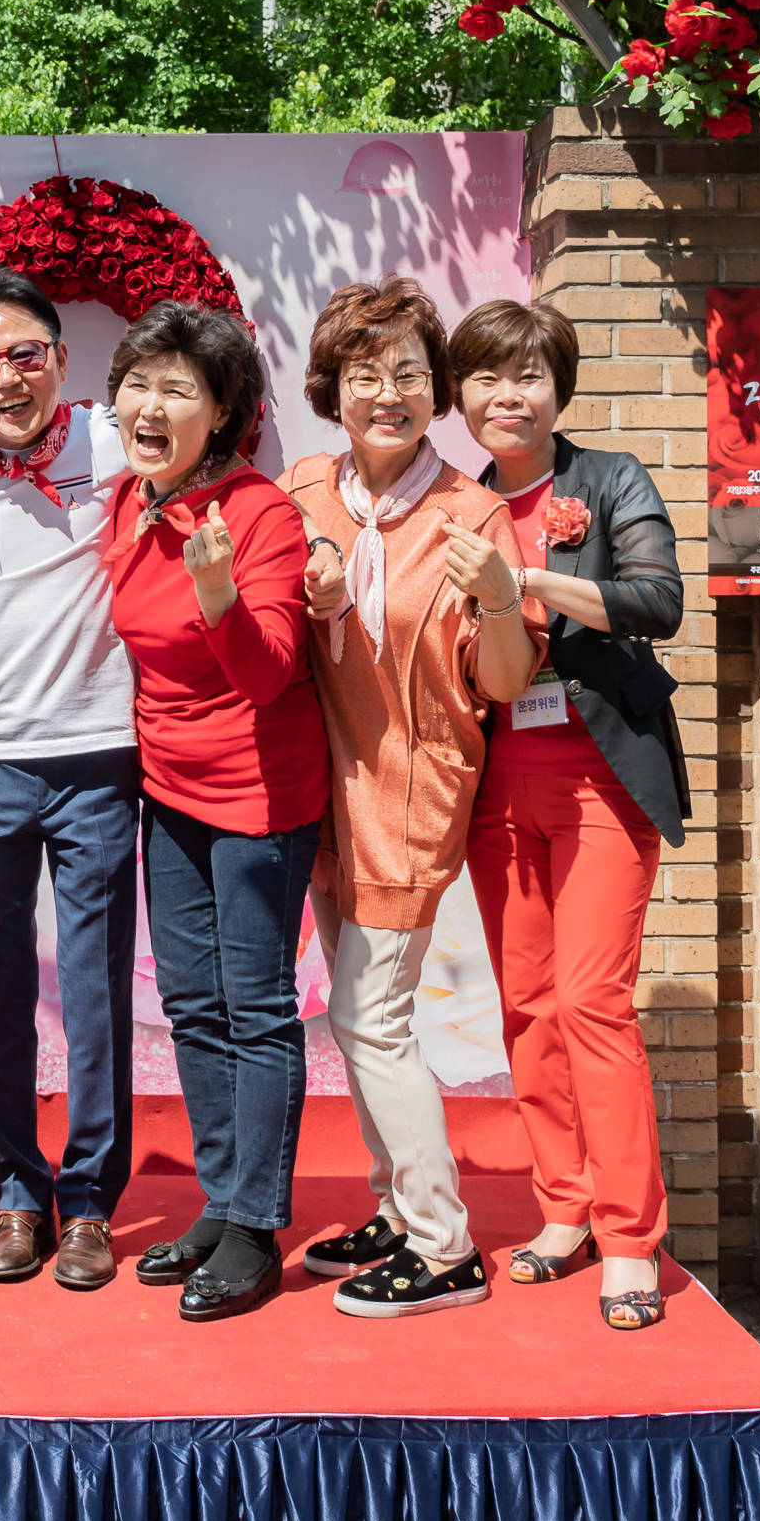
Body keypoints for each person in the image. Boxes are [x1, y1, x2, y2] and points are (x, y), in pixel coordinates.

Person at [279, 278, 543, 1320]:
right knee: (360, 1022)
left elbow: (508, 680)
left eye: (406, 375)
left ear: (434, 392)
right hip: (319, 785)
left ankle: (444, 1247)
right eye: (363, 375)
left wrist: (501, 597)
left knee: (368, 1012)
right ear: (331, 390)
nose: (385, 393)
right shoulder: (302, 490)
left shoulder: (473, 514)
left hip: (412, 787)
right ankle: (394, 1208)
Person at [452, 297, 690, 1333]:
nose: (511, 395)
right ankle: (563, 1210)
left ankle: (630, 1238)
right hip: (495, 780)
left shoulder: (606, 479)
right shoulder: (450, 502)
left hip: (599, 773)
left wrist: (536, 578)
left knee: (593, 1002)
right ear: (461, 395)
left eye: (530, 375)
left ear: (560, 388)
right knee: (530, 1007)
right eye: (489, 377)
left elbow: (659, 601)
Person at [103, 302, 328, 1323]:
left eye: (178, 390)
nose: (150, 406)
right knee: (192, 1007)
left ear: (224, 412)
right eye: (139, 385)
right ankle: (220, 1198)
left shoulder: (258, 514)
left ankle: (254, 1227)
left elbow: (275, 672)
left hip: (259, 795)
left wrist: (222, 595)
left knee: (256, 1008)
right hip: (169, 792)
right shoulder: (125, 502)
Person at [0, 265, 137, 1291]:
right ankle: (18, 1190)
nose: (10, 379)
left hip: (103, 754)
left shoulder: (118, 444)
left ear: (62, 360)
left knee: (96, 990)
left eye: (27, 356)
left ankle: (93, 1201)